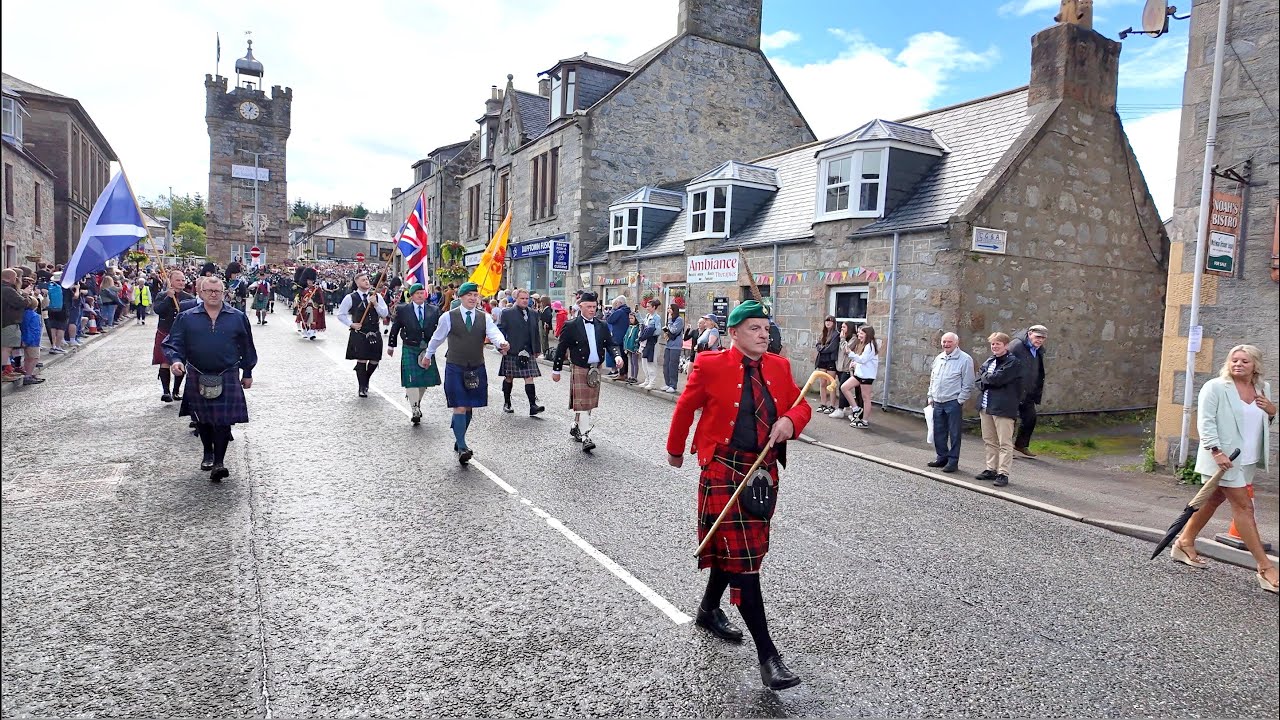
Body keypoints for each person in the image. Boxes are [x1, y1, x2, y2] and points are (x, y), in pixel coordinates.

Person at [665, 300, 812, 691]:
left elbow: (803, 407)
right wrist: (676, 450)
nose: (764, 334)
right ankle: (769, 657)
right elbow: (685, 407)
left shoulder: (778, 366)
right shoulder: (711, 364)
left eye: (766, 328)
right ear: (734, 333)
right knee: (745, 560)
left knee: (734, 548)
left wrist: (789, 421)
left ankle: (709, 609)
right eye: (754, 328)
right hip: (722, 469)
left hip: (761, 473)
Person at [1170, 344, 1277, 593]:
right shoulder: (1216, 387)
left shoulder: (1262, 388)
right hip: (1222, 459)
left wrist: (1272, 412)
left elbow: (1260, 422)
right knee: (1243, 506)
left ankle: (1184, 542)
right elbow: (1205, 422)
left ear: (1255, 366)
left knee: (1213, 500)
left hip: (1247, 459)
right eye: (1234, 360)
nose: (1238, 364)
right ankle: (1265, 568)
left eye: (1244, 361)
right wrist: (1216, 451)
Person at [164, 277, 257, 481]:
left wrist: (248, 372)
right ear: (201, 293)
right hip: (198, 372)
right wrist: (176, 360)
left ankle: (219, 462)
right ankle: (208, 452)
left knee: (224, 421)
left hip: (228, 373)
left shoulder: (237, 317)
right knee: (202, 419)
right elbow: (174, 343)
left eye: (218, 291)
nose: (214, 294)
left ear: (224, 293)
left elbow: (247, 346)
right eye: (209, 291)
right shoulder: (186, 317)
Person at [425, 281, 509, 464]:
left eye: (475, 295)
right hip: (455, 366)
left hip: (476, 366)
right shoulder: (448, 317)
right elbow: (437, 338)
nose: (472, 298)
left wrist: (501, 343)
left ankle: (459, 435)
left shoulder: (484, 317)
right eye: (469, 295)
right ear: (460, 297)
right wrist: (428, 355)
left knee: (469, 406)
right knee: (460, 406)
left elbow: (494, 333)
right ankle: (462, 446)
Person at [550, 291, 619, 452]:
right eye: (588, 306)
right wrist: (556, 369)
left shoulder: (602, 324)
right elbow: (561, 348)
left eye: (594, 306)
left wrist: (617, 357)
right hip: (580, 367)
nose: (592, 309)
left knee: (587, 404)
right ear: (580, 306)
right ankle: (586, 436)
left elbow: (611, 343)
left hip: (596, 368)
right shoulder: (571, 325)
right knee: (583, 403)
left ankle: (576, 425)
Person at [387, 283, 442, 425]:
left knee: (423, 380)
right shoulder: (403, 309)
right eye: (417, 293)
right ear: (411, 296)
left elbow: (441, 329)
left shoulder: (434, 310)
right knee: (411, 379)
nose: (420, 295)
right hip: (410, 346)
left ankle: (416, 401)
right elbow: (396, 327)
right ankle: (415, 409)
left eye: (422, 293)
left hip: (427, 349)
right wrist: (391, 345)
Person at [975, 332, 1021, 487]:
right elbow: (978, 379)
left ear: (1006, 345)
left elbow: (998, 379)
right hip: (986, 406)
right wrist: (986, 378)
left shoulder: (1012, 362)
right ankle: (991, 469)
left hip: (1003, 408)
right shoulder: (990, 360)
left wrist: (986, 378)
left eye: (998, 344)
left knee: (1004, 442)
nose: (994, 347)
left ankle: (1003, 473)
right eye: (993, 344)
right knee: (989, 440)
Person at [926, 332, 975, 474]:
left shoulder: (965, 359)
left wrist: (960, 400)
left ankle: (953, 461)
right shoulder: (939, 358)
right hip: (937, 401)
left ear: (956, 343)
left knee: (954, 433)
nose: (946, 344)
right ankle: (942, 457)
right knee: (938, 432)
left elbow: (968, 383)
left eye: (949, 342)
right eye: (944, 342)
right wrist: (930, 396)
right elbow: (933, 379)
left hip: (953, 402)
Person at [337, 273, 390, 398]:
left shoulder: (376, 296)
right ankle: (362, 386)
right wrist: (351, 324)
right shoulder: (350, 297)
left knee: (375, 360)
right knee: (362, 359)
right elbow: (341, 314)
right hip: (360, 333)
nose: (366, 282)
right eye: (363, 280)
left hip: (375, 332)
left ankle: (365, 379)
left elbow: (385, 313)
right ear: (357, 283)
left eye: (367, 279)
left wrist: (376, 304)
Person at [497, 288, 546, 416]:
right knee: (509, 377)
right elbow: (500, 330)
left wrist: (537, 350)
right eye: (522, 298)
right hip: (512, 351)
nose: (525, 301)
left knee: (529, 378)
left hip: (528, 351)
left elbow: (536, 333)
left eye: (526, 298)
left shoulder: (534, 313)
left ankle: (532, 406)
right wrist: (501, 346)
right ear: (516, 299)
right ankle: (507, 403)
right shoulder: (507, 313)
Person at [153, 270, 195, 402]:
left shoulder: (189, 297)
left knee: (180, 362)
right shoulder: (162, 295)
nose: (181, 282)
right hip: (165, 331)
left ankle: (176, 391)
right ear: (170, 281)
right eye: (178, 280)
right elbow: (158, 310)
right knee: (165, 361)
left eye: (183, 280)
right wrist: (168, 298)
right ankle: (166, 392)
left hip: (181, 334)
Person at [1009, 324, 1048, 457]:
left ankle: (1021, 445)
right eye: (1038, 337)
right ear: (1030, 333)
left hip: (1028, 391)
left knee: (1030, 418)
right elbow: (1006, 364)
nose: (1040, 340)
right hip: (1014, 390)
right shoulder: (1016, 346)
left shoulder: (1038, 349)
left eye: (1043, 338)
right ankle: (1006, 448)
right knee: (1010, 421)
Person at [842, 324, 880, 429]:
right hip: (859, 374)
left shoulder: (870, 346)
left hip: (867, 376)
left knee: (866, 398)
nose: (859, 335)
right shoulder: (863, 344)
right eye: (859, 332)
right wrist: (855, 363)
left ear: (868, 334)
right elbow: (862, 360)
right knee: (844, 387)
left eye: (861, 333)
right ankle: (856, 409)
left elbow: (863, 360)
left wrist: (850, 353)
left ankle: (864, 421)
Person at [2, 269, 29, 382]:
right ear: (11, 277)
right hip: (9, 322)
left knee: (6, 347)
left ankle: (7, 369)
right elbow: (22, 302)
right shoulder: (8, 290)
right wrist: (26, 296)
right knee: (6, 348)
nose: (17, 280)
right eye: (16, 277)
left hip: (5, 321)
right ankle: (4, 372)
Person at [814, 315, 839, 413]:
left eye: (830, 321)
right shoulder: (823, 333)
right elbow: (818, 345)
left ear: (834, 323)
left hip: (830, 360)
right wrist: (822, 348)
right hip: (822, 360)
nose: (828, 323)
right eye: (826, 321)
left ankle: (832, 405)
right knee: (822, 383)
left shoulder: (836, 334)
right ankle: (823, 404)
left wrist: (822, 348)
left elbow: (831, 348)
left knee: (831, 383)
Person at [829, 322, 855, 420]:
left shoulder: (854, 338)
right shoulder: (841, 338)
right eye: (841, 327)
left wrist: (843, 339)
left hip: (847, 368)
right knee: (842, 388)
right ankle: (846, 408)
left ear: (849, 328)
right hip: (839, 367)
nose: (842, 329)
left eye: (844, 327)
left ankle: (840, 409)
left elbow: (845, 350)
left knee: (842, 388)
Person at [294, 267, 326, 340]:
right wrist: (297, 301)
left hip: (314, 306)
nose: (309, 282)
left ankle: (312, 332)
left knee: (313, 320)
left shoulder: (316, 288)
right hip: (305, 306)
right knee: (305, 320)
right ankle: (305, 331)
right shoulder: (303, 289)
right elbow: (299, 296)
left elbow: (320, 298)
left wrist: (321, 306)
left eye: (311, 280)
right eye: (308, 280)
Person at [605, 295, 631, 378]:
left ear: (620, 302)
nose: (615, 305)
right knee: (624, 355)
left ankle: (622, 374)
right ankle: (624, 373)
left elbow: (609, 319)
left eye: (616, 303)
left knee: (621, 356)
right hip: (625, 335)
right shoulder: (626, 311)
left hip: (619, 336)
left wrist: (613, 309)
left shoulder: (620, 311)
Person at [661, 303, 685, 393]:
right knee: (666, 365)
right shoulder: (670, 320)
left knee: (673, 366)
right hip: (668, 344)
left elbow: (674, 330)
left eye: (670, 309)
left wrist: (670, 320)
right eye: (668, 309)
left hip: (676, 346)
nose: (668, 310)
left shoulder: (679, 320)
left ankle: (673, 385)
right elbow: (669, 330)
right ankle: (667, 383)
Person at [639, 299, 662, 390]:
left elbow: (658, 330)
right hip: (645, 342)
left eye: (649, 306)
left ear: (654, 307)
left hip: (652, 342)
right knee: (644, 361)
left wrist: (649, 332)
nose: (647, 308)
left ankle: (652, 382)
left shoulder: (657, 318)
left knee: (651, 362)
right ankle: (647, 379)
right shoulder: (648, 316)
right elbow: (643, 324)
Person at [623, 312, 642, 384]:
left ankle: (635, 377)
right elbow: (626, 337)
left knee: (635, 362)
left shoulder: (637, 328)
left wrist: (636, 348)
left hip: (634, 348)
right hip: (629, 347)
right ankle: (631, 376)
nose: (630, 320)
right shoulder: (630, 327)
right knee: (631, 362)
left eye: (632, 318)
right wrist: (625, 346)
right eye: (629, 318)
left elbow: (637, 338)